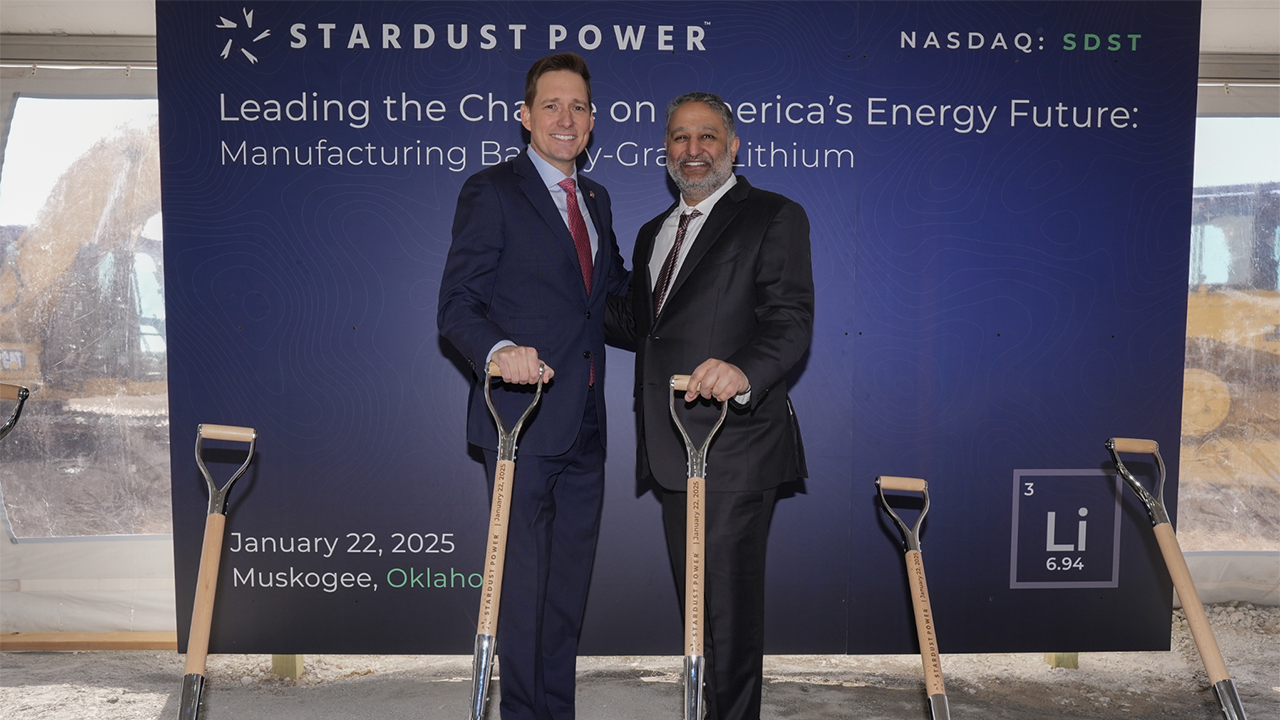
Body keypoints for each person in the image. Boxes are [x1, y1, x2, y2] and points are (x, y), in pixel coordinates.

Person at [606, 91, 814, 720]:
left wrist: (742, 370)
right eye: (678, 138)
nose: (691, 151)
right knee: (699, 612)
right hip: (673, 444)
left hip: (736, 441)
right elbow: (634, 321)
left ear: (733, 145)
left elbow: (789, 322)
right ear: (663, 149)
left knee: (726, 617)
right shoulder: (652, 233)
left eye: (706, 137)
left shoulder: (774, 216)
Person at [437, 52, 628, 720]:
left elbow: (613, 302)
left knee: (566, 592)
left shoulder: (597, 200)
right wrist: (500, 352)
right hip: (519, 418)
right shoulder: (491, 190)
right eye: (551, 105)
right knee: (522, 591)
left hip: (588, 425)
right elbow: (457, 306)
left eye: (578, 106)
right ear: (524, 117)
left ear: (594, 120)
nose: (565, 118)